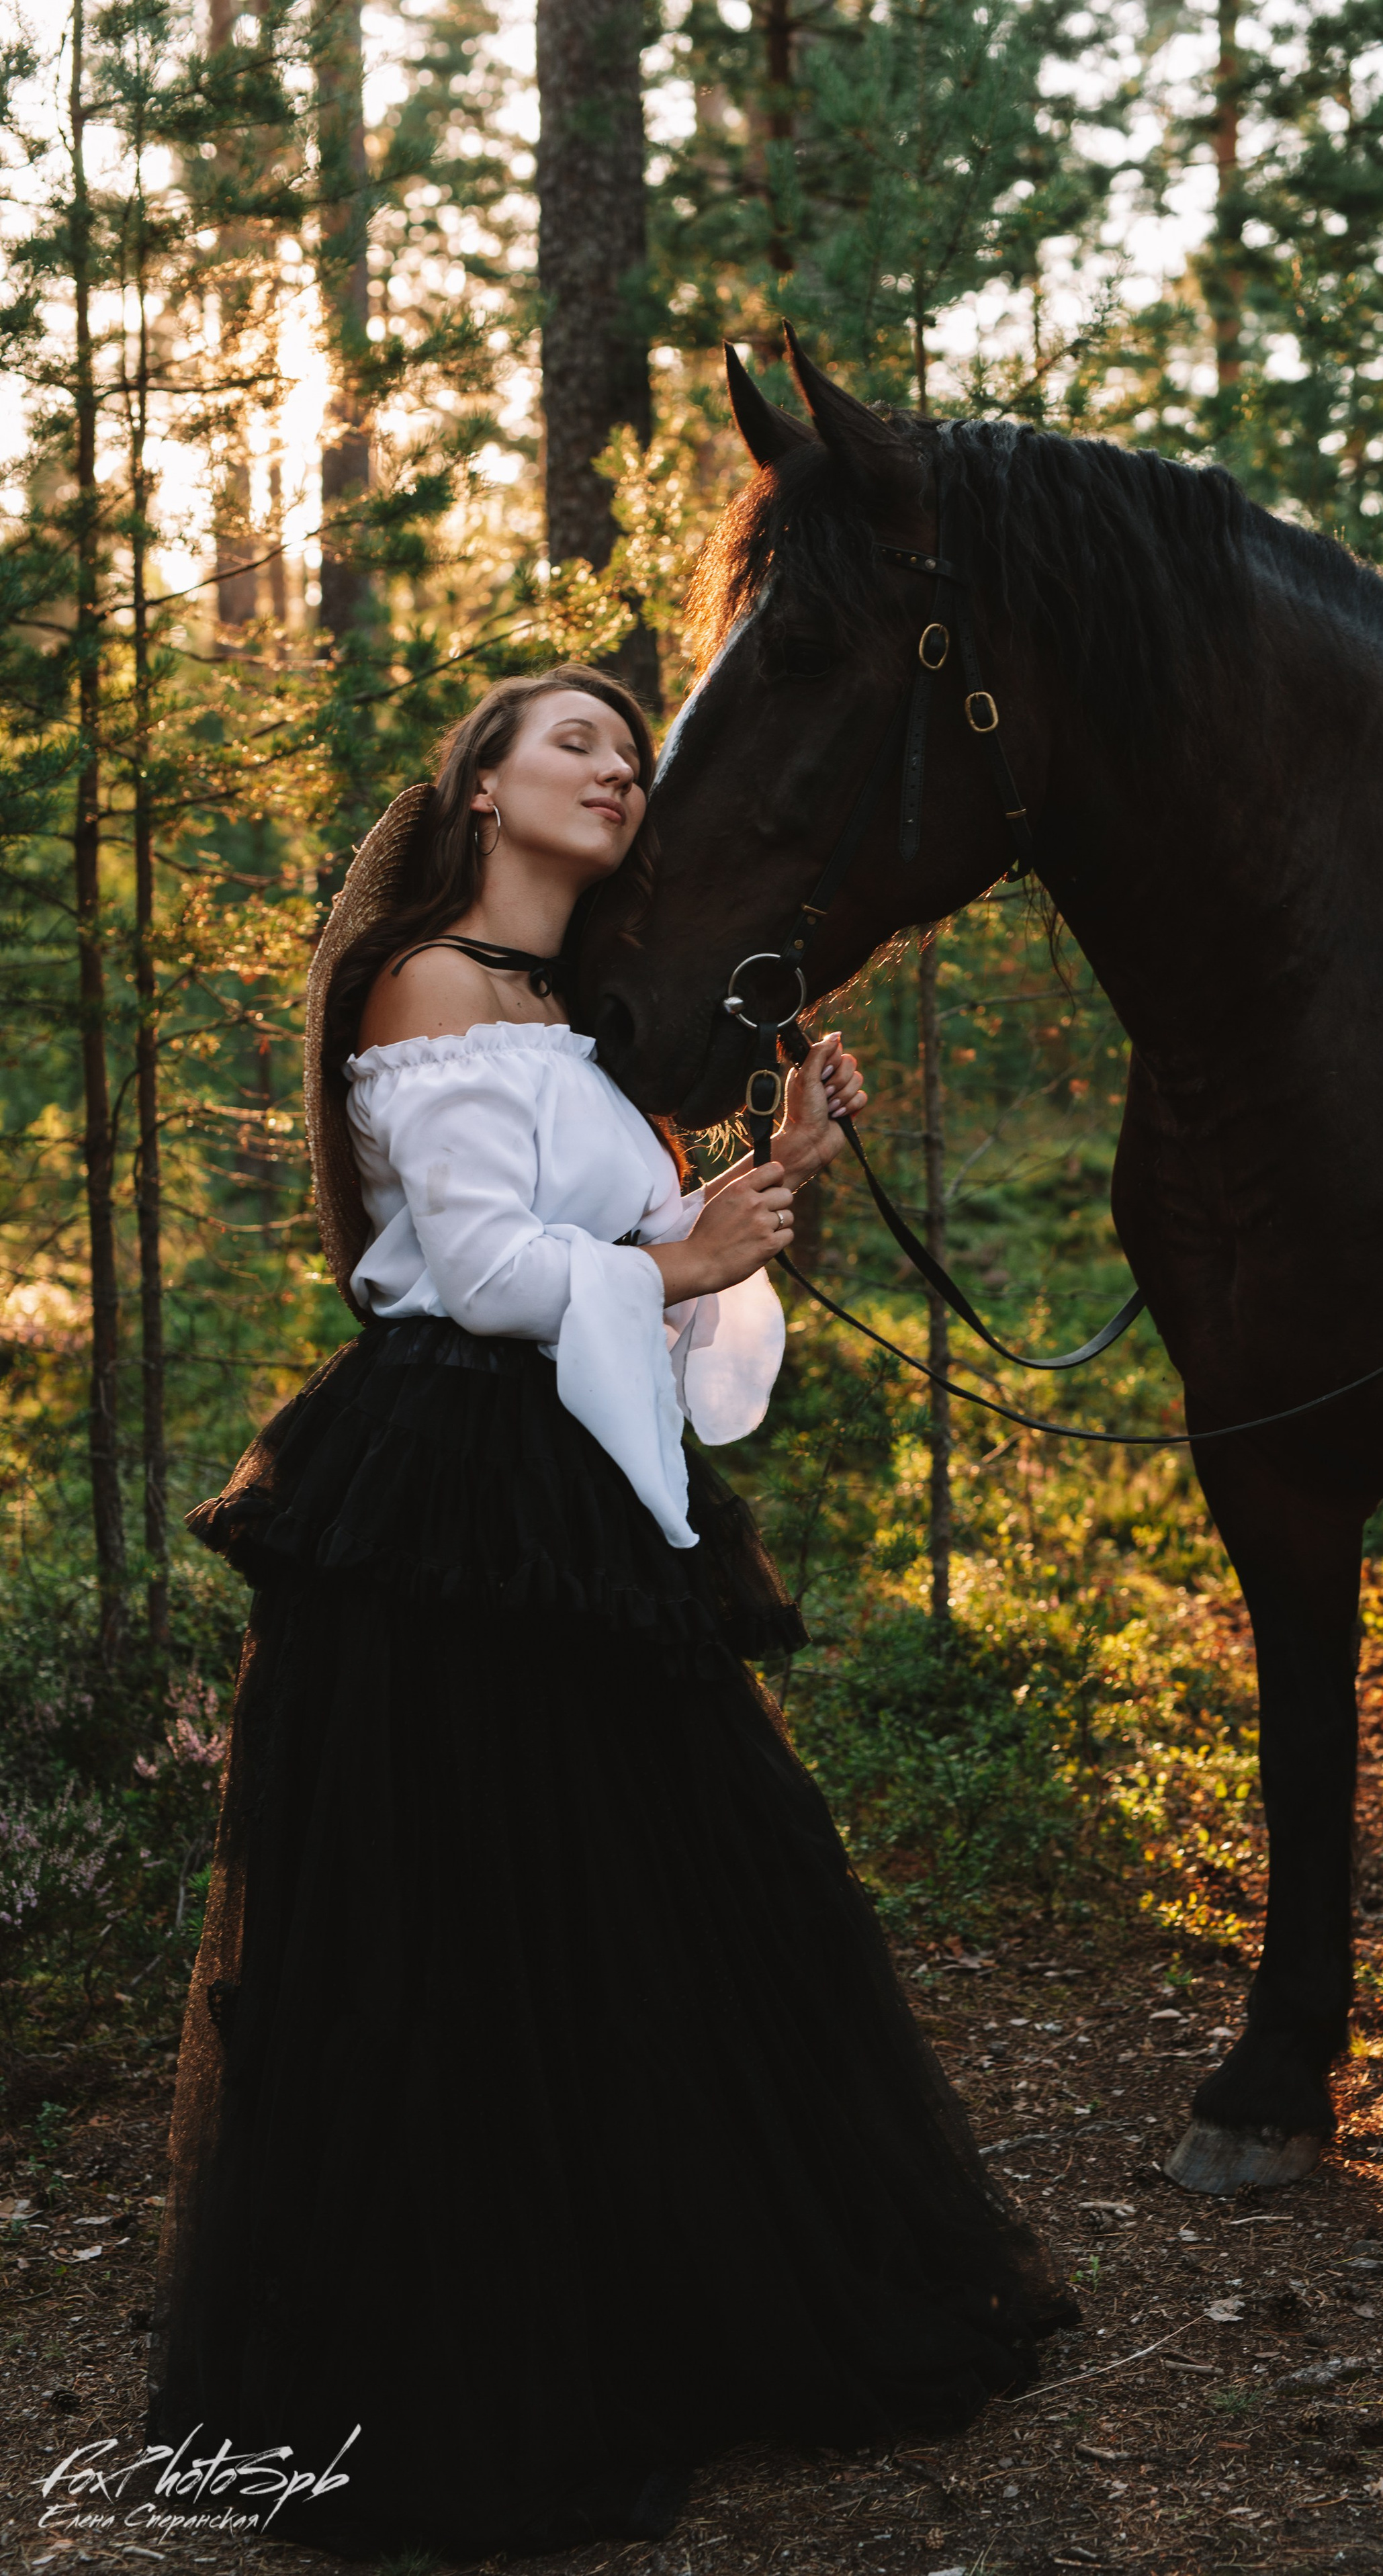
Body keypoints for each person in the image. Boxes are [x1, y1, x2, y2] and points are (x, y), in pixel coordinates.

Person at [143, 662, 1081, 2561]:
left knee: (635, 1904)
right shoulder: (424, 980)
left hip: (562, 1485)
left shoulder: (577, 1031)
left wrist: (769, 1192)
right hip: (451, 1505)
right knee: (469, 1926)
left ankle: (666, 2304)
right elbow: (485, 1266)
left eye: (634, 756)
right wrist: (676, 1241)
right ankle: (473, 2352)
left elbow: (649, 1301)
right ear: (480, 786)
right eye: (576, 741)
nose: (621, 770)